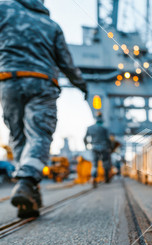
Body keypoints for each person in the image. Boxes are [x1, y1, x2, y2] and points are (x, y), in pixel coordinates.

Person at [0, 0, 87, 218]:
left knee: (18, 137)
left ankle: (29, 196)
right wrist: (83, 85)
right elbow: (67, 64)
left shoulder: (3, 9)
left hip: (8, 81)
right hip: (41, 83)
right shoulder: (52, 25)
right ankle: (27, 183)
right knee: (39, 134)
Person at [84, 112, 112, 188]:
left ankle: (94, 178)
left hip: (94, 147)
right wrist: (110, 148)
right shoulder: (105, 129)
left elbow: (85, 139)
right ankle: (106, 178)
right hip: (104, 147)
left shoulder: (90, 128)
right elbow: (108, 139)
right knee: (105, 162)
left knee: (94, 164)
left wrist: (86, 146)